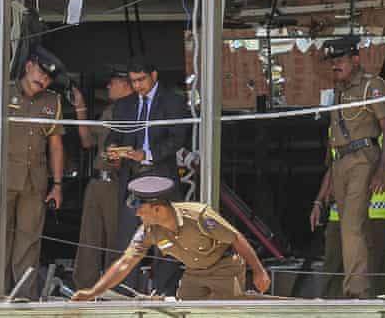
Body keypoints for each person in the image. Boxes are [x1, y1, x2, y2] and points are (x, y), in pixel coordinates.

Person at [71, 176, 270, 301]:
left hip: (224, 268)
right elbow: (125, 263)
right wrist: (93, 292)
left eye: (141, 209)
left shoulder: (199, 216)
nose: (137, 214)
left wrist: (259, 272)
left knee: (228, 313)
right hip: (194, 273)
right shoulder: (148, 230)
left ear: (158, 209)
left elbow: (236, 239)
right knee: (183, 311)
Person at [0, 46, 66, 296]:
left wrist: (57, 185)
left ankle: (23, 299)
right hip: (3, 178)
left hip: (35, 181)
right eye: (40, 73)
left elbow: (55, 145)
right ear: (28, 66)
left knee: (29, 241)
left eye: (48, 78)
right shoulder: (1, 92)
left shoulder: (52, 101)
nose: (43, 80)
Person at [313, 36, 385, 298]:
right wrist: (320, 198)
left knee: (351, 226)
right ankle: (363, 287)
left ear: (355, 59)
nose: (335, 66)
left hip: (363, 158)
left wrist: (382, 168)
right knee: (353, 229)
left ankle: (356, 292)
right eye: (332, 61)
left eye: (340, 60)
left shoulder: (372, 85)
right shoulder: (339, 92)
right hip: (341, 163)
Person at [105, 56, 190, 295]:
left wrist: (148, 154)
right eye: (133, 81)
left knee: (165, 237)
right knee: (128, 238)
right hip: (132, 179)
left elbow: (177, 137)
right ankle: (124, 292)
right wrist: (113, 150)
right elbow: (114, 135)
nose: (138, 86)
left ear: (154, 76)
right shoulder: (125, 105)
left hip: (160, 175)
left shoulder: (172, 101)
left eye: (141, 80)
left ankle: (165, 292)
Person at [311, 135, 385, 297]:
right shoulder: (335, 129)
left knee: (372, 273)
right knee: (333, 271)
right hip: (338, 216)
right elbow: (332, 169)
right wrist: (318, 201)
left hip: (375, 216)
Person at [73, 66, 134, 288]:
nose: (108, 86)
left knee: (115, 239)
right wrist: (80, 107)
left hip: (117, 183)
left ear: (126, 84)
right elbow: (88, 141)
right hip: (97, 181)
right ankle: (84, 287)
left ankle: (114, 288)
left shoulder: (134, 112)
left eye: (113, 82)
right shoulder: (110, 111)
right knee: (89, 236)